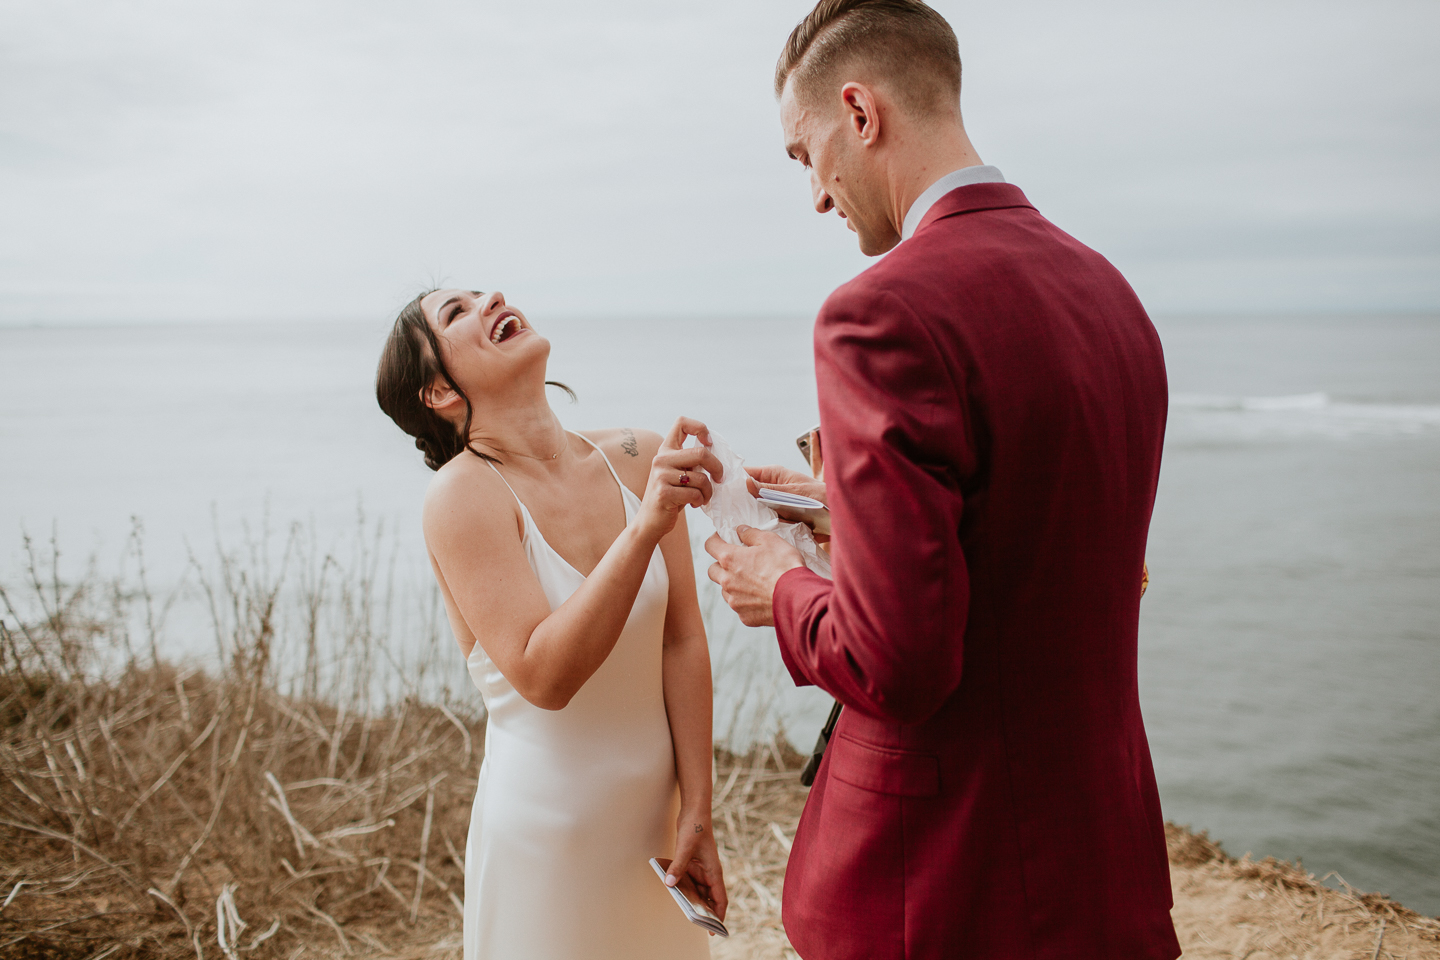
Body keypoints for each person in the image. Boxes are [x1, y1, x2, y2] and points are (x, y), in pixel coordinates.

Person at [705, 2, 1182, 958]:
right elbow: (1043, 537)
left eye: (806, 156)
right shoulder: (1109, 291)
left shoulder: (877, 315)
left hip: (944, 881)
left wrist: (785, 588)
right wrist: (853, 521)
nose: (817, 195)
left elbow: (903, 664)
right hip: (1099, 852)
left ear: (860, 112)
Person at [375, 288, 727, 960]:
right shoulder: (461, 496)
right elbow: (546, 675)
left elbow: (682, 641)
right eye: (457, 314)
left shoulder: (638, 455)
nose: (492, 300)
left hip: (657, 837)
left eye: (484, 294)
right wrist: (647, 525)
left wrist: (698, 813)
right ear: (439, 393)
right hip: (548, 841)